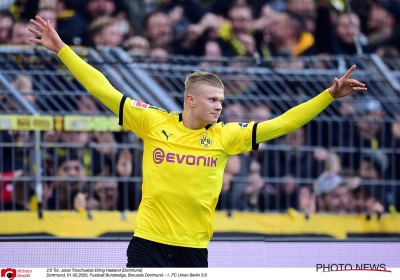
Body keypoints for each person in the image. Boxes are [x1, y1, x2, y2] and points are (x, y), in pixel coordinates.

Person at [28, 15, 367, 267]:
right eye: (212, 101)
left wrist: (328, 96)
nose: (220, 106)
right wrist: (61, 49)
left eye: (221, 101)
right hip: (148, 242)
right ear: (191, 100)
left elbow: (282, 123)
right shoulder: (152, 121)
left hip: (193, 249)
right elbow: (103, 88)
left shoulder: (226, 136)